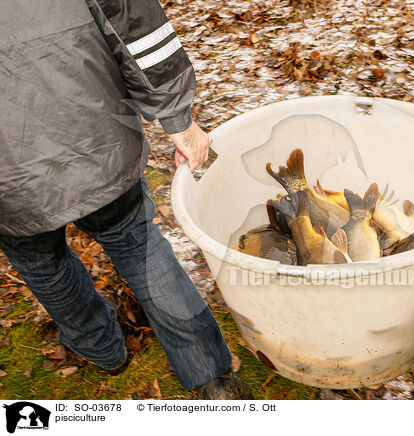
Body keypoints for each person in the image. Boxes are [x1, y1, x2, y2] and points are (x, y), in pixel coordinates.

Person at [0, 0, 252, 400]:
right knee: (138, 247)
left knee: (42, 264)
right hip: (93, 137)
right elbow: (135, 23)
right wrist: (178, 120)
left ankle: (101, 350)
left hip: (8, 178)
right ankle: (212, 377)